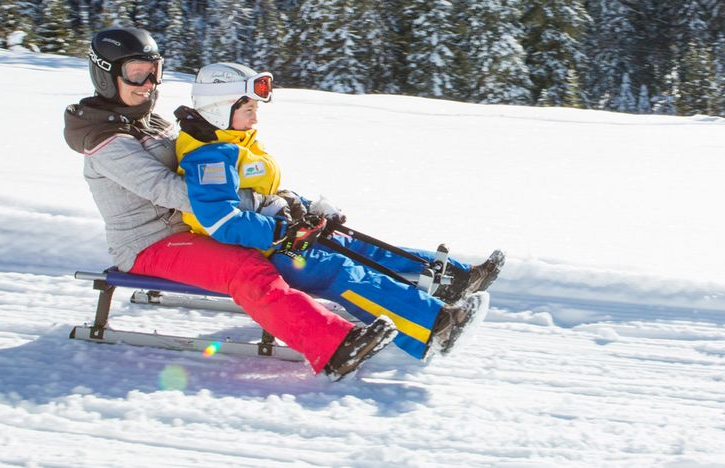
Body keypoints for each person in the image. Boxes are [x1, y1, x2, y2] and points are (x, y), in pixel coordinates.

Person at [63, 27, 397, 379]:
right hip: (148, 245)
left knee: (286, 251)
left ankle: (387, 302)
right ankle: (333, 346)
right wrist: (255, 203)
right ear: (106, 73)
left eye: (154, 71)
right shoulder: (105, 140)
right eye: (136, 73)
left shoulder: (148, 121)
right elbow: (169, 189)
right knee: (245, 269)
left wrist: (284, 200)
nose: (149, 83)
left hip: (191, 229)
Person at [174, 62, 504, 359]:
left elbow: (262, 193)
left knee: (354, 244)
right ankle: (436, 327)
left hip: (280, 233)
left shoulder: (234, 141)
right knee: (338, 270)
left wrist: (307, 208)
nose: (255, 117)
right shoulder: (209, 158)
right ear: (219, 108)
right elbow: (222, 221)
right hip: (259, 248)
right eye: (248, 108)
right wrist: (281, 233)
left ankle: (456, 279)